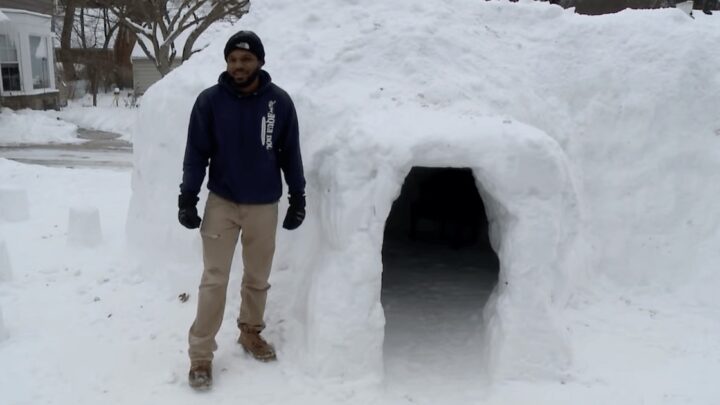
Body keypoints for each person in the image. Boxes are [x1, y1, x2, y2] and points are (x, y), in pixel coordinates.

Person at [177, 30, 306, 390]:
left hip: (264, 204)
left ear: (260, 62)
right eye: (233, 59)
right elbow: (196, 154)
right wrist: (188, 196)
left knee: (257, 277)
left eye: (246, 59)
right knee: (214, 279)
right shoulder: (210, 102)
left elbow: (289, 154)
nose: (238, 66)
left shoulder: (279, 104)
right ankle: (200, 355)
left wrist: (299, 196)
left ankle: (251, 332)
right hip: (223, 202)